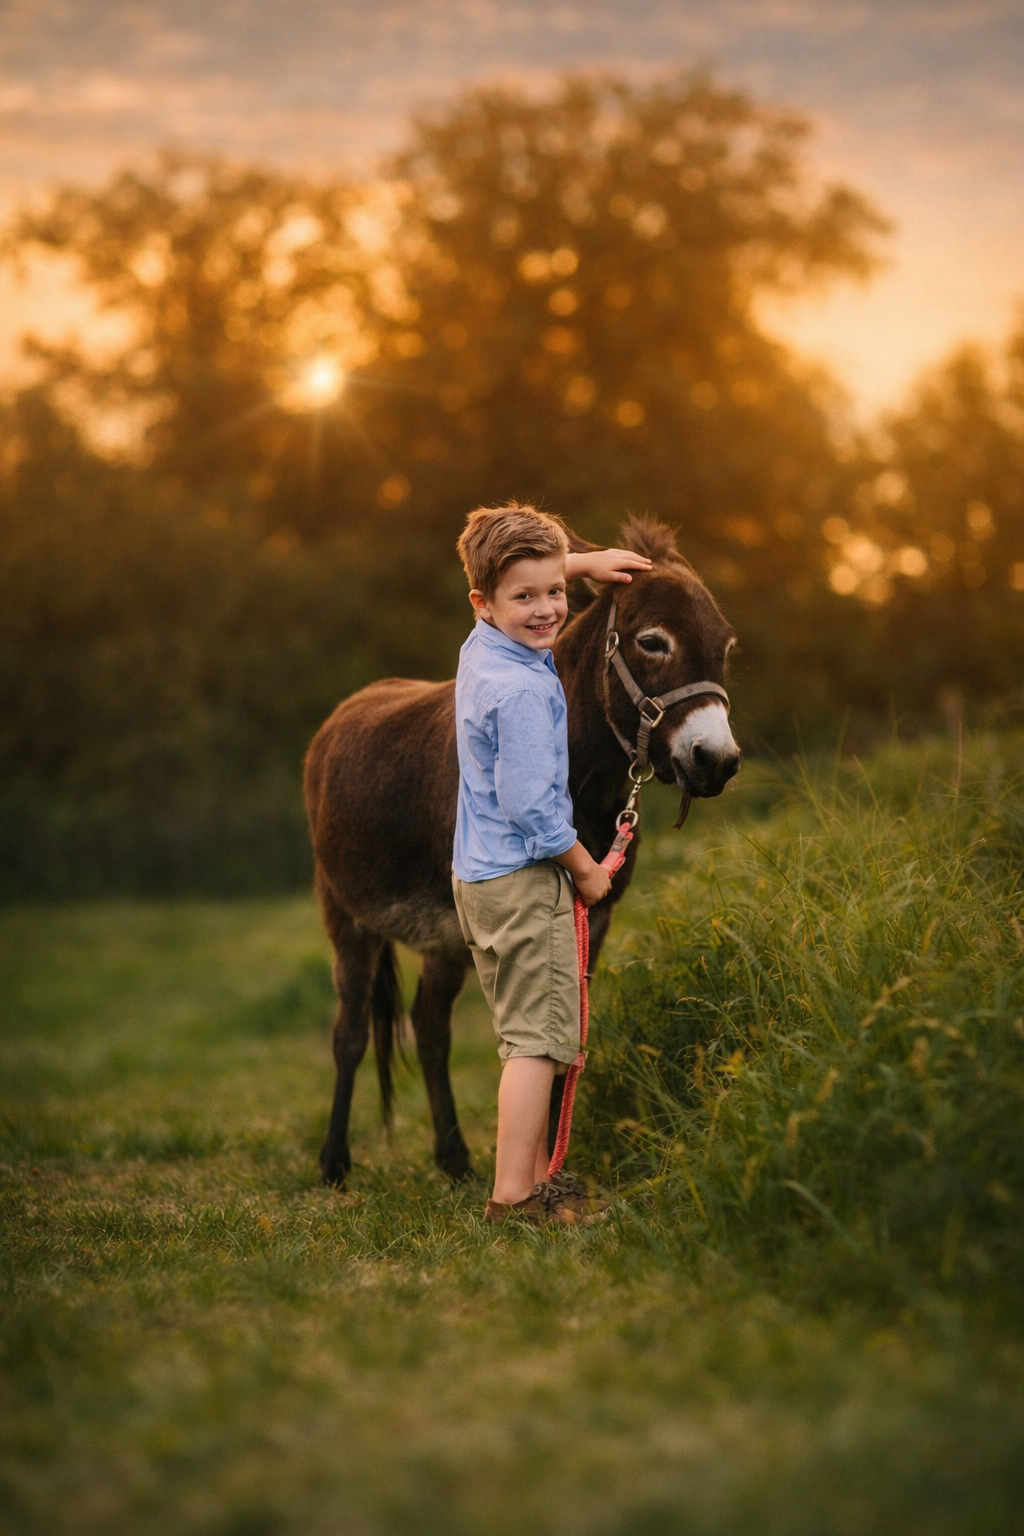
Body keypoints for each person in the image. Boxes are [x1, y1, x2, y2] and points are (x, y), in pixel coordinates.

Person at [451, 505, 651, 1226]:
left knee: (526, 1033)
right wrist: (587, 868)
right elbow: (534, 808)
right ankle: (515, 1196)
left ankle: (534, 1177)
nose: (547, 611)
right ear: (486, 601)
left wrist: (582, 565)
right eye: (527, 598)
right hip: (524, 875)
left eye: (555, 594)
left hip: (479, 876)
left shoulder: (484, 647)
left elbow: (521, 576)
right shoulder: (525, 690)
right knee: (536, 1045)